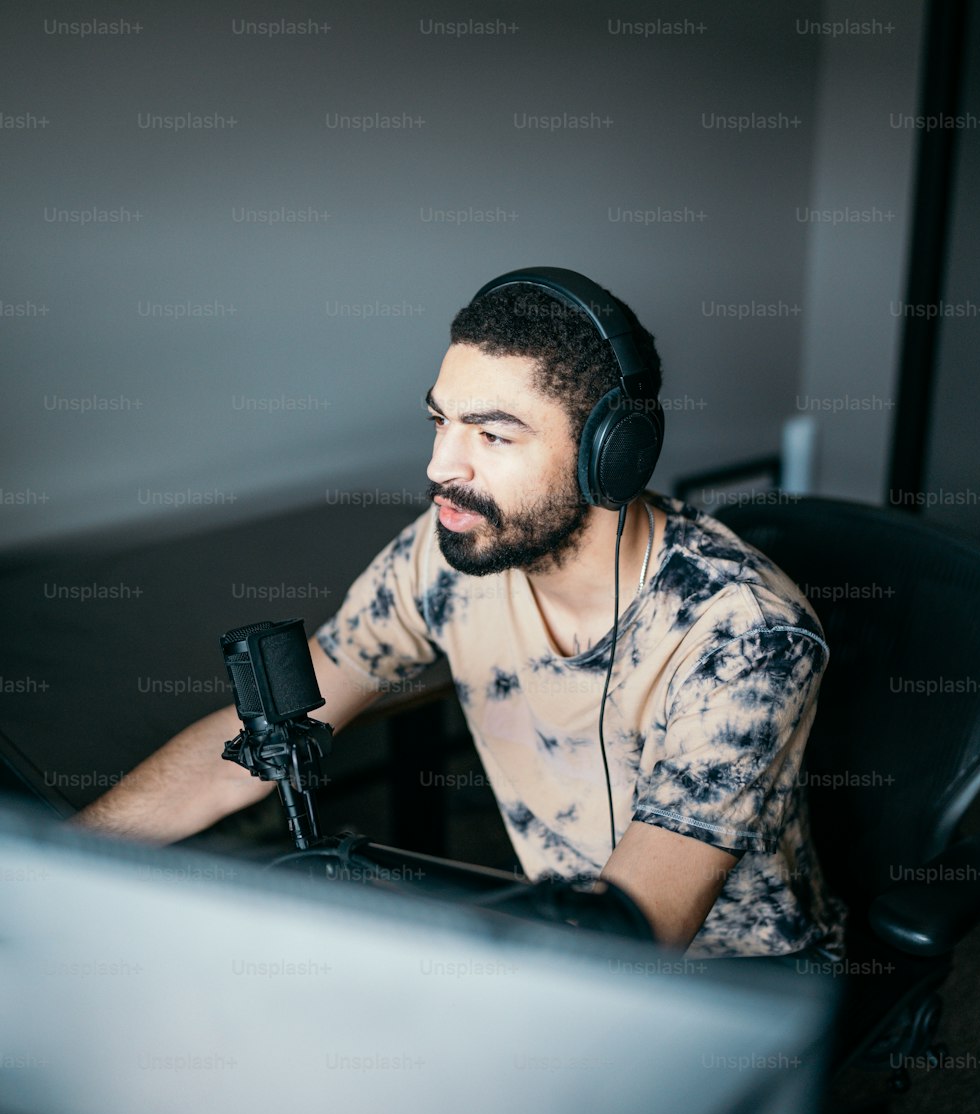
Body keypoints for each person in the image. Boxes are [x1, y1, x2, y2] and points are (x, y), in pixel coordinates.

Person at [74, 268, 847, 960]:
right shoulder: (448, 551)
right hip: (549, 929)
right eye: (441, 422)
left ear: (611, 456)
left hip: (728, 992)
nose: (441, 466)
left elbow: (634, 935)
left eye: (490, 434)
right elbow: (257, 740)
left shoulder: (745, 639)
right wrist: (62, 861)